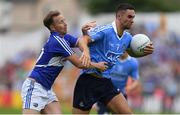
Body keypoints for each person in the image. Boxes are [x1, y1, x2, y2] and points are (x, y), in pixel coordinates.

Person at [72, 3, 154, 114]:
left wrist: (144, 53)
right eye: (129, 17)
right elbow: (83, 39)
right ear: (119, 16)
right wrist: (86, 52)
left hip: (106, 82)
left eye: (133, 17)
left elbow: (131, 53)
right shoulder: (105, 31)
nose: (132, 20)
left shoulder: (128, 38)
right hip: (88, 80)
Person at [21, 10, 107, 114]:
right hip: (35, 87)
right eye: (61, 22)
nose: (65, 23)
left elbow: (80, 41)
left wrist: (86, 51)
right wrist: (97, 65)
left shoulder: (64, 38)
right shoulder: (57, 41)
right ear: (53, 27)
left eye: (64, 20)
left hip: (47, 89)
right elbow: (79, 64)